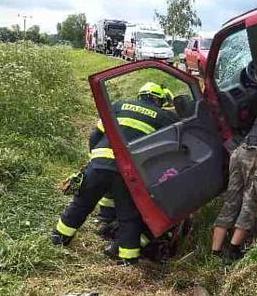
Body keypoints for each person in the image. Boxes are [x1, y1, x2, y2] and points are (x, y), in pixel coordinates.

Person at [52, 82, 178, 264]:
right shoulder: (164, 117)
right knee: (128, 216)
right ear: (158, 99)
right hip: (128, 172)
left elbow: (96, 135)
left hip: (100, 163)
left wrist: (94, 159)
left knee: (81, 204)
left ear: (141, 95)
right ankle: (127, 260)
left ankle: (59, 239)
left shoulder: (120, 105)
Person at [211, 63, 257, 262]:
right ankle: (233, 250)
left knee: (231, 201)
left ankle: (215, 251)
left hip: (239, 151)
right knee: (252, 201)